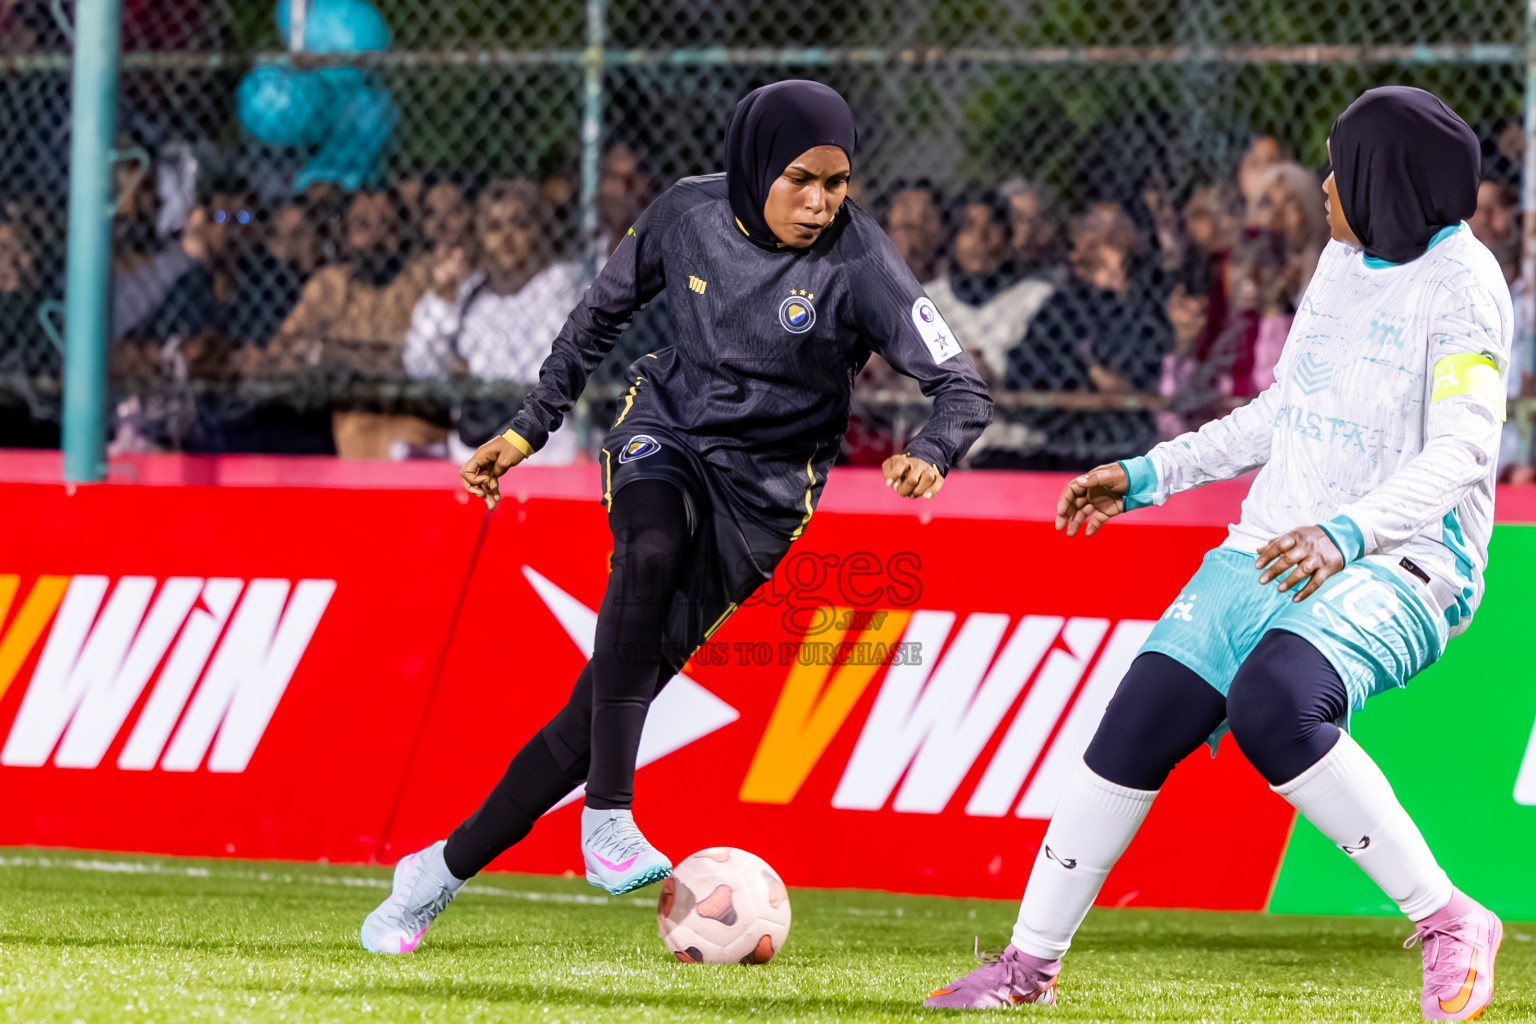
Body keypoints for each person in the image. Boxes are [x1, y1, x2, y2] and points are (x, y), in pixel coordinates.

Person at [360, 79, 992, 953]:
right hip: (666, 430)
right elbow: (594, 321)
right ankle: (608, 820)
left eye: (838, 183)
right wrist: (526, 427)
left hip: (763, 500)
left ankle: (434, 872)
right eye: (802, 179)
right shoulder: (684, 215)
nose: (821, 203)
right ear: (754, 168)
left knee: (594, 718)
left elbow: (962, 385)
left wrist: (932, 449)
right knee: (648, 549)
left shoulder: (861, 261)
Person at [926, 87, 1508, 1022]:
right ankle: (1026, 968)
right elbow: (1288, 408)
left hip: (1406, 558)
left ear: (1380, 181)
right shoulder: (1341, 259)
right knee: (1138, 720)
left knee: (1275, 704)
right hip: (1275, 541)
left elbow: (1465, 450)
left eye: (1337, 168)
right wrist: (1151, 473)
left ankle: (1449, 920)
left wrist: (1345, 534)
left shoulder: (1465, 286)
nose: (1323, 186)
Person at [403, 179, 585, 461]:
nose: (507, 238)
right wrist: (442, 296)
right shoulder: (468, 295)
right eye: (495, 228)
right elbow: (420, 366)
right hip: (474, 448)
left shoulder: (566, 285)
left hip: (547, 450)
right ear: (481, 236)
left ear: (539, 228)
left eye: (519, 224)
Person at [264, 187, 441, 459]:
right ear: (345, 232)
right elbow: (281, 352)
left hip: (413, 433)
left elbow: (422, 361)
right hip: (348, 436)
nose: (374, 236)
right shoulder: (330, 285)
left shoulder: (424, 277)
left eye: (385, 224)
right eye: (362, 224)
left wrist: (336, 353)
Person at [925, 188, 1054, 385]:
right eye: (968, 227)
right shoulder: (926, 299)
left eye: (992, 226)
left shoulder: (1034, 298)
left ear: (1007, 237)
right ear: (952, 238)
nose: (981, 238)